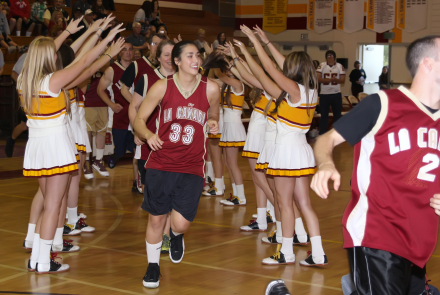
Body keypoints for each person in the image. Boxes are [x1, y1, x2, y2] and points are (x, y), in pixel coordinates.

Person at [311, 35, 440, 294]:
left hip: (420, 242)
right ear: (428, 63)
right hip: (377, 233)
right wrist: (325, 164)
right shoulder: (382, 104)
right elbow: (326, 139)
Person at [20, 17, 123, 274]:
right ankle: (44, 260)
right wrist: (106, 43)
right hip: (55, 148)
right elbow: (84, 64)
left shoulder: (25, 79)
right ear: (48, 57)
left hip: (37, 148)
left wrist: (67, 32)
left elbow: (52, 53)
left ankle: (37, 256)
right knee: (54, 205)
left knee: (48, 202)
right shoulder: (52, 82)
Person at [133, 42, 223, 289]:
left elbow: (214, 112)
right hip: (161, 161)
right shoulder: (162, 86)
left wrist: (213, 121)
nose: (196, 59)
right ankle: (152, 267)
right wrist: (148, 134)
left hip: (192, 165)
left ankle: (176, 235)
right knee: (155, 219)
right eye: (190, 55)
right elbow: (139, 119)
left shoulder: (211, 88)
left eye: (198, 55)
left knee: (180, 223)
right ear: (177, 61)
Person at [241, 24, 326, 266]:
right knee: (305, 204)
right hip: (302, 150)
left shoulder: (294, 90)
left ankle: (286, 252)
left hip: (286, 151)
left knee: (284, 203)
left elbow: (267, 69)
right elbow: (281, 64)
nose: (284, 68)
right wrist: (266, 41)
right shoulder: (312, 90)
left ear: (293, 71)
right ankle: (318, 253)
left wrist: (251, 47)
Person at [129, 39, 175, 252]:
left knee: (172, 191)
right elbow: (134, 106)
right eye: (166, 54)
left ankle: (166, 236)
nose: (169, 58)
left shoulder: (185, 80)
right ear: (159, 57)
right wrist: (137, 130)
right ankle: (157, 233)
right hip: (151, 143)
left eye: (173, 54)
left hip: (175, 145)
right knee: (154, 194)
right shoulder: (147, 79)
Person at [97, 41, 134, 173]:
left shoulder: (137, 68)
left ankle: (138, 181)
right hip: (119, 116)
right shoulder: (112, 70)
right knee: (120, 150)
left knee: (137, 149)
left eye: (130, 49)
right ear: (119, 53)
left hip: (135, 116)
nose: (128, 52)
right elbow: (100, 89)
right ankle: (114, 156)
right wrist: (111, 105)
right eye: (124, 50)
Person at [120, 33, 165, 103]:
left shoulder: (168, 66)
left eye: (161, 44)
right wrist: (137, 107)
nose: (158, 47)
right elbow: (124, 90)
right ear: (148, 46)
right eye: (155, 43)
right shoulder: (136, 65)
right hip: (143, 108)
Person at [316, 50, 345, 135]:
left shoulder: (339, 66)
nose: (330, 57)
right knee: (324, 115)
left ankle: (337, 133)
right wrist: (329, 80)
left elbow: (343, 80)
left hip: (336, 93)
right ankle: (322, 134)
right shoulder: (322, 65)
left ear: (334, 57)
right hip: (324, 94)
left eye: (331, 55)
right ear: (326, 57)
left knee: (337, 115)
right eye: (328, 55)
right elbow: (318, 78)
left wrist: (336, 80)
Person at [5, 50, 27, 158]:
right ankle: (11, 140)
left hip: (40, 95)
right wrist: (23, 87)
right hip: (27, 95)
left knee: (28, 125)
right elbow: (13, 73)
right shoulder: (26, 56)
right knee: (25, 125)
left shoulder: (48, 57)